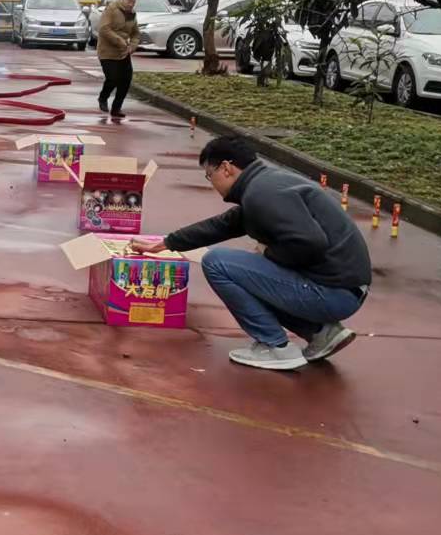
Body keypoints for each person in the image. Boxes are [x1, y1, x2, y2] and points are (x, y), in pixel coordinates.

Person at [132, 136, 370, 372]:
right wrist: (167, 243)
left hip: (333, 293)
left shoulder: (261, 194)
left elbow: (311, 243)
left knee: (217, 263)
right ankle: (321, 333)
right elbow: (222, 225)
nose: (211, 182)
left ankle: (275, 346)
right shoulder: (265, 185)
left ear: (226, 168)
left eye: (209, 175)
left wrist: (268, 253)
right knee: (248, 270)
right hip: (345, 290)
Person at [94, 0, 139, 120]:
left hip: (123, 52)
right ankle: (103, 98)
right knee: (113, 78)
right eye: (129, 1)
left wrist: (132, 46)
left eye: (134, 2)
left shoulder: (132, 14)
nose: (131, 4)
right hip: (107, 52)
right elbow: (104, 29)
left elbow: (136, 33)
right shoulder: (111, 10)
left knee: (126, 80)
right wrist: (120, 41)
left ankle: (116, 109)